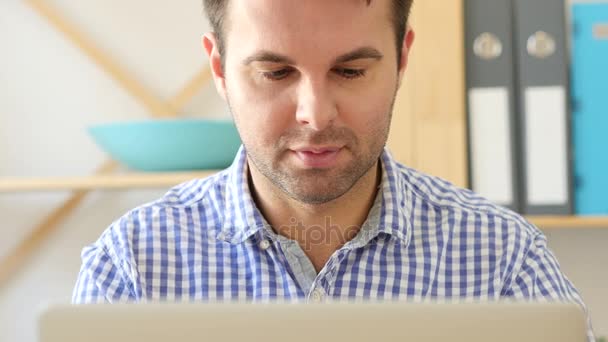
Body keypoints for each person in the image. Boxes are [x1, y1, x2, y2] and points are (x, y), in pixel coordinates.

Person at [73, 0, 595, 340]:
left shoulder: (504, 260)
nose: (316, 114)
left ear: (401, 59)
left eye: (350, 71)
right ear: (219, 68)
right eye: (275, 72)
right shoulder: (131, 267)